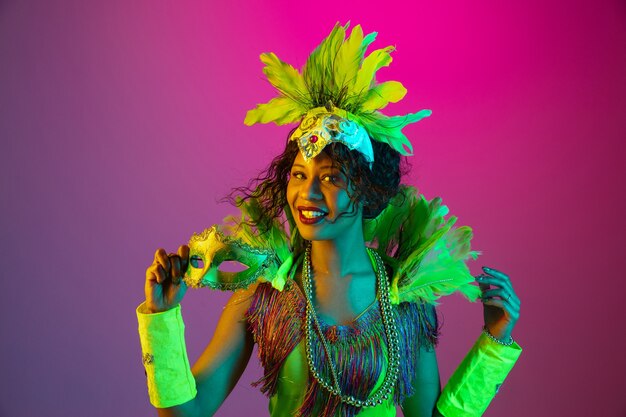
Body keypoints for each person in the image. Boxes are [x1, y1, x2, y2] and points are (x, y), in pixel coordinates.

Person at [137, 23, 522, 417]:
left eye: (330, 178)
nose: (309, 194)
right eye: (300, 175)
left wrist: (495, 340)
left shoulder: (405, 301)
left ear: (367, 189)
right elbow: (190, 412)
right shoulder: (264, 295)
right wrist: (162, 318)